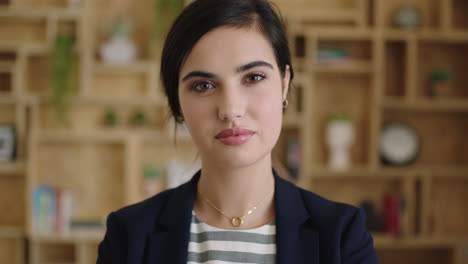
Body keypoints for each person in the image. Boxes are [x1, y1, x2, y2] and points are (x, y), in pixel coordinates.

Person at [97, 0, 379, 263]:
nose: (230, 109)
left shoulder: (343, 236)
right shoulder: (129, 235)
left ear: (284, 83)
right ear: (177, 103)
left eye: (253, 77)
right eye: (203, 85)